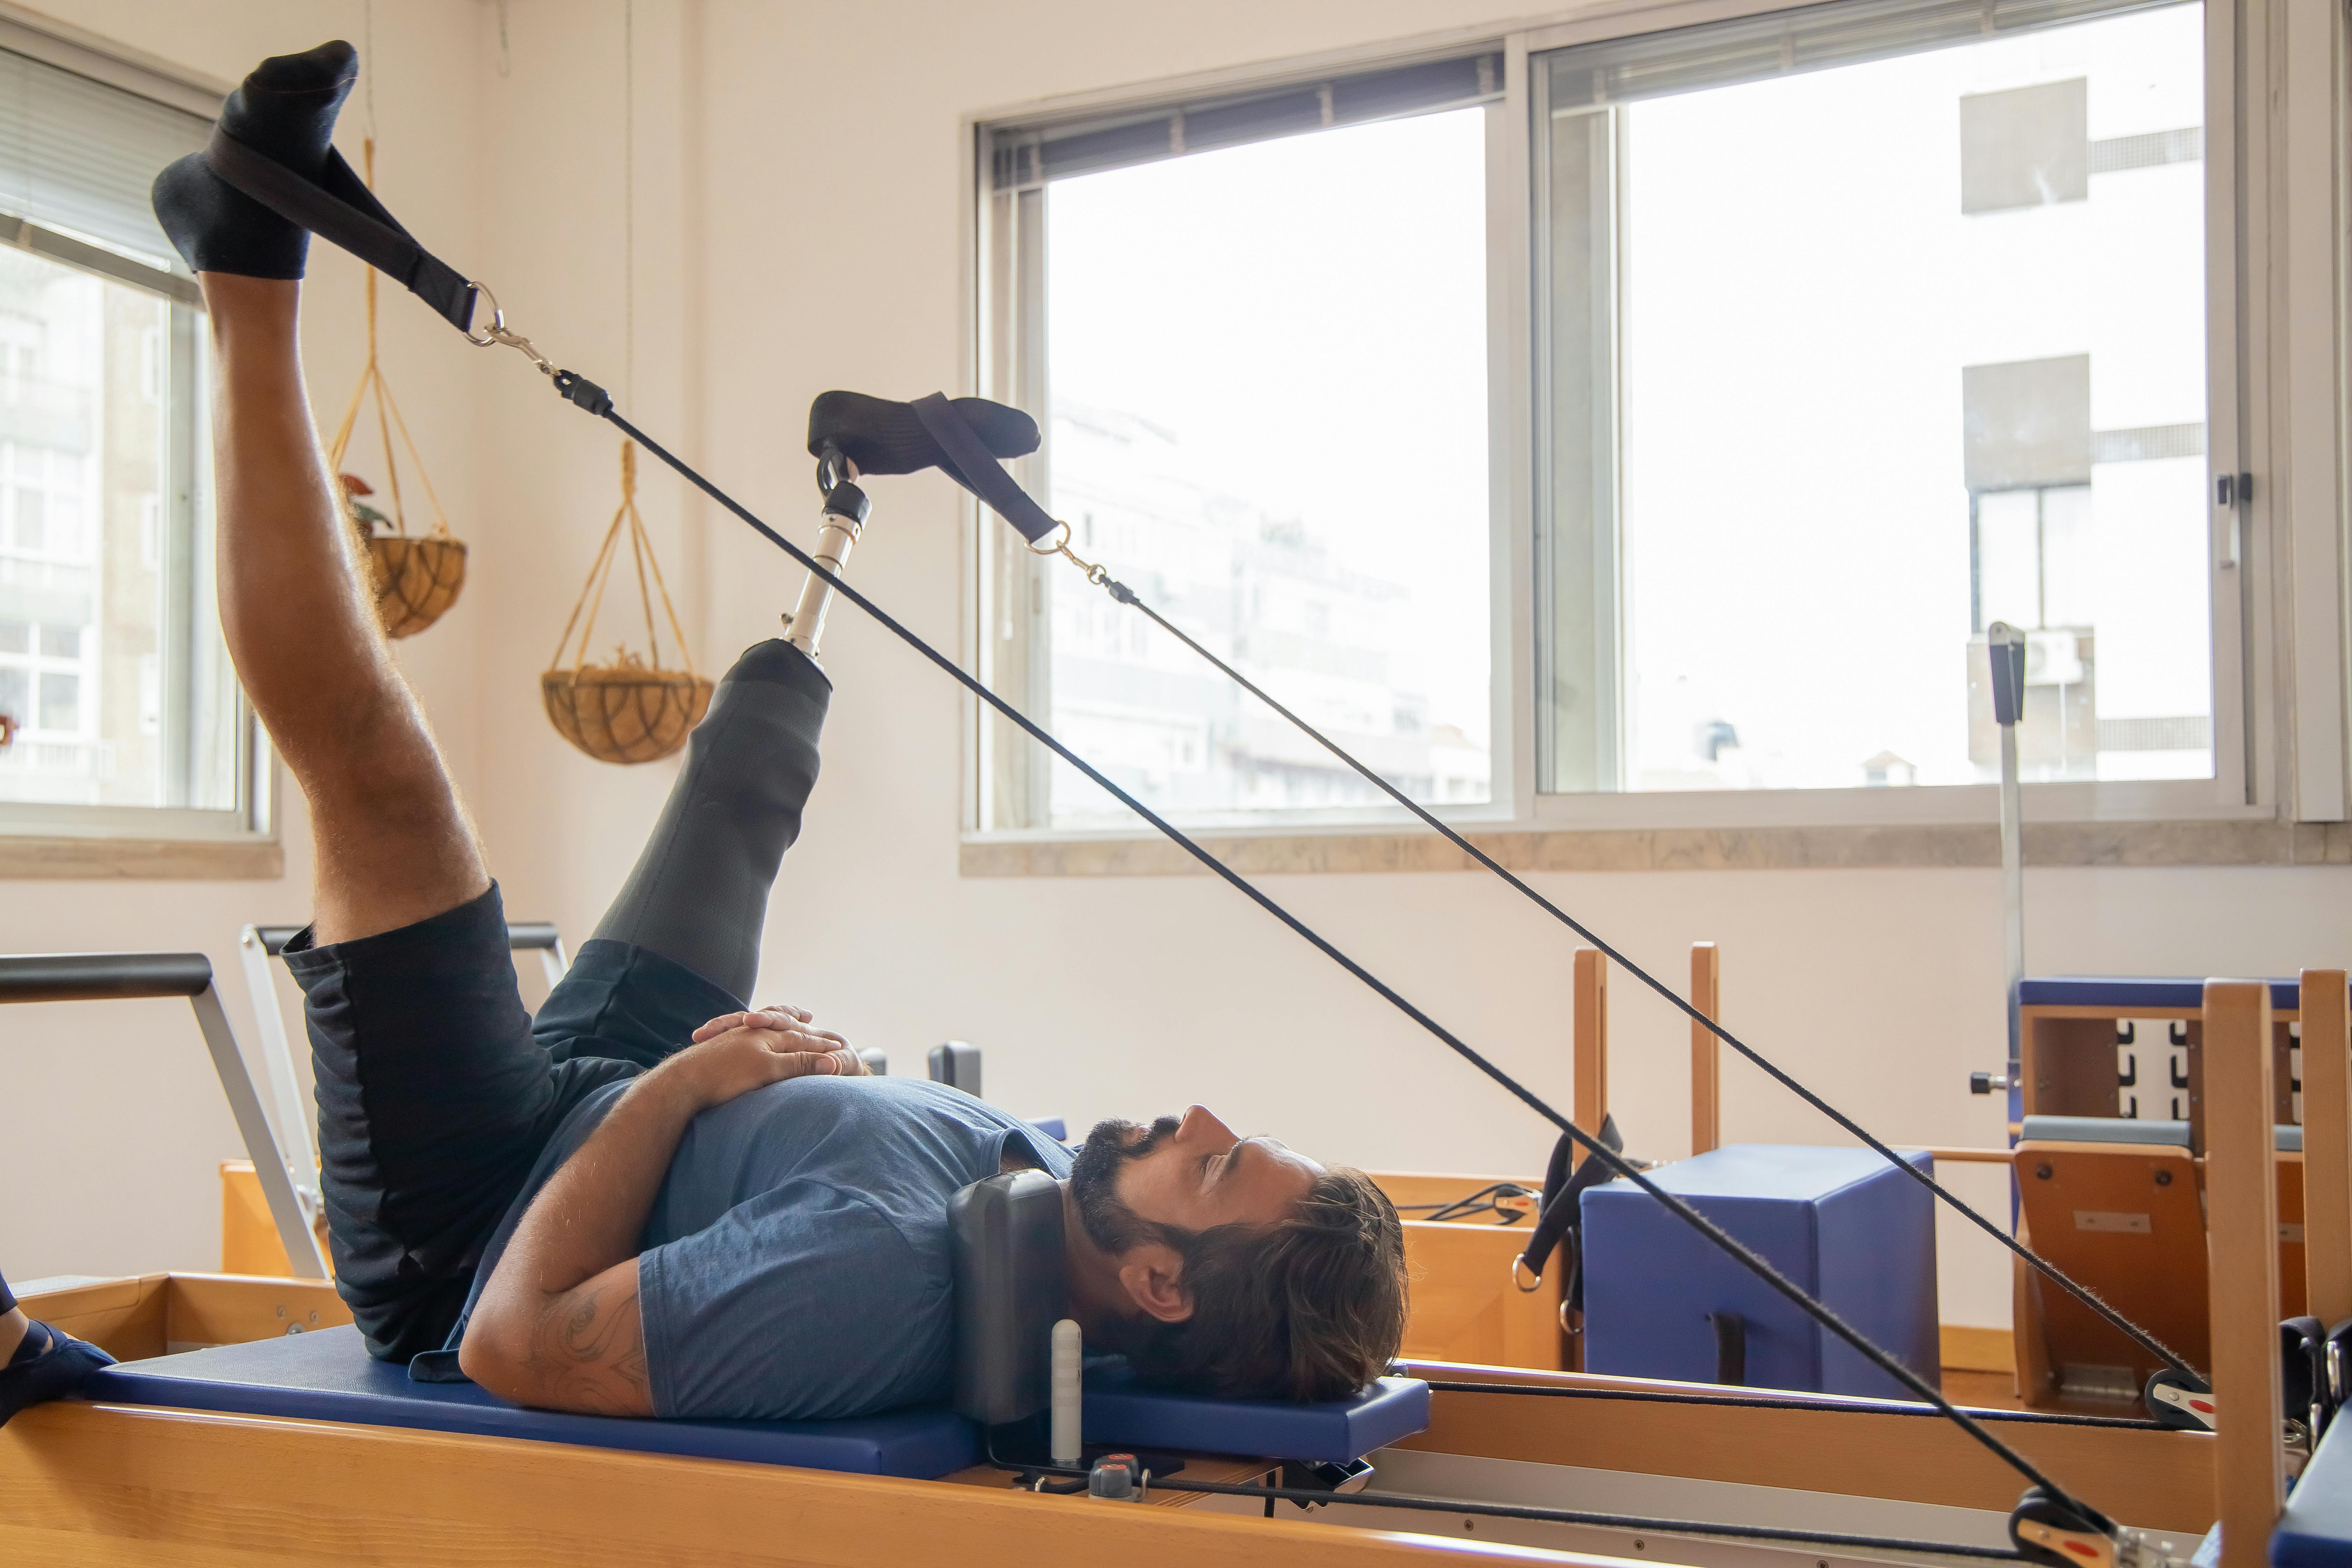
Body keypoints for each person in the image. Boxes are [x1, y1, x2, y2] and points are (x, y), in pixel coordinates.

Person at [0, 40, 1405, 1429]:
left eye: (1221, 1170)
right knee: (749, 788)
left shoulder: (882, 1291)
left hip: (480, 1211)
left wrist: (684, 1091)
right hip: (628, 1101)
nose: (1204, 1120)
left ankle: (244, 268)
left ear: (1160, 1283)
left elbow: (511, 1342)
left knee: (386, 787)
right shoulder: (1063, 1209)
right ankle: (846, 478)